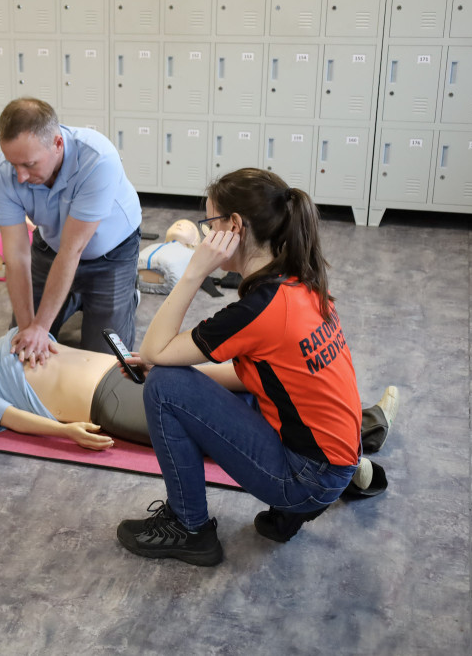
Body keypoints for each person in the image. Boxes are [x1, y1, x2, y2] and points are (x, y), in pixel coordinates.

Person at [117, 167, 367, 568]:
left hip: (306, 478)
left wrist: (194, 270)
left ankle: (190, 528)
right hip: (336, 462)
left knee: (164, 387)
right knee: (188, 381)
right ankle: (297, 508)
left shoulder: (259, 308)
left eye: (208, 224)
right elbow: (256, 375)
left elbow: (155, 348)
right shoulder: (298, 281)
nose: (203, 236)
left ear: (234, 226)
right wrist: (190, 384)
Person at [0, 326, 399, 459]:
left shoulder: (7, 335)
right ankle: (354, 444)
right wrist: (65, 431)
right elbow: (12, 417)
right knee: (229, 415)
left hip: (123, 370)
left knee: (250, 374)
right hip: (109, 402)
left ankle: (357, 421)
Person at [0, 98, 142, 365]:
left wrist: (41, 327)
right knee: (21, 349)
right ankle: (72, 300)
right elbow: (16, 257)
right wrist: (29, 329)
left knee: (105, 364)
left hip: (111, 256)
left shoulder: (98, 158)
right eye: (14, 164)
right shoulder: (3, 173)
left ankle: (126, 295)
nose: (20, 176)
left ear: (57, 144)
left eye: (29, 164)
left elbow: (73, 250)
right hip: (50, 248)